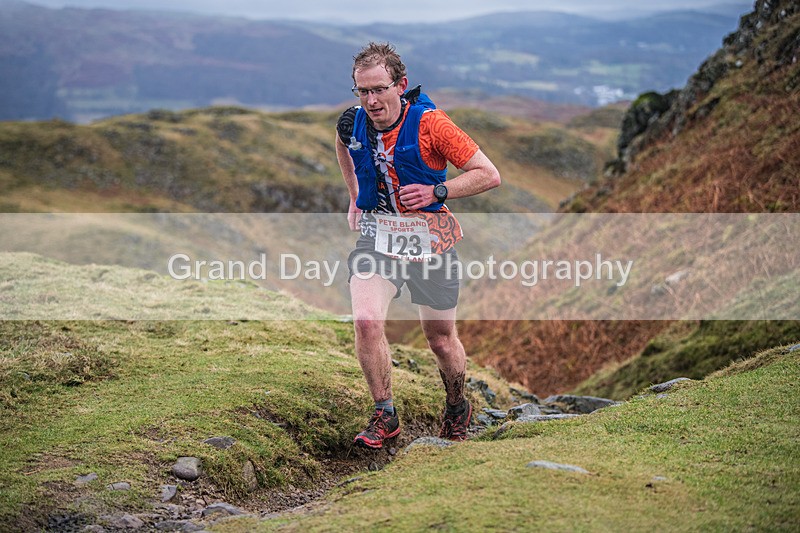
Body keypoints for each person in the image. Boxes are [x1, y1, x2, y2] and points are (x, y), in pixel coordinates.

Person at [335, 42, 501, 449]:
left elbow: (488, 174)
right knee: (367, 321)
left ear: (400, 85)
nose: (371, 100)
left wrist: (437, 190)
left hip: (432, 241)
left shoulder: (431, 124)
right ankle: (385, 415)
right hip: (378, 236)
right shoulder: (351, 122)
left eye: (378, 89)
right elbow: (342, 146)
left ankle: (456, 407)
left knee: (440, 338)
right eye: (362, 91)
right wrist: (356, 195)